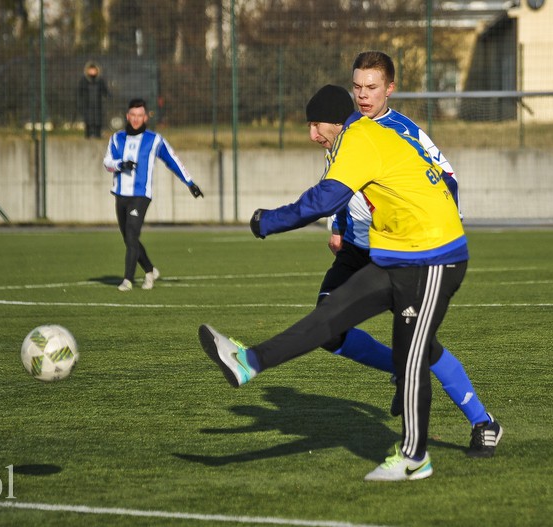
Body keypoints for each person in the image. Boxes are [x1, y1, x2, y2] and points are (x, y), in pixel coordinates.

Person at [199, 84, 499, 482]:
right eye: (358, 85)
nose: (311, 134)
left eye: (315, 124)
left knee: (414, 355)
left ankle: (420, 455)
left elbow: (325, 198)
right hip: (391, 253)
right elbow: (340, 194)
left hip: (433, 258)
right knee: (330, 317)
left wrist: (266, 221)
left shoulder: (367, 136)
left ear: (338, 121)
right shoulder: (353, 138)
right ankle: (248, 362)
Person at [305, 83, 499, 456]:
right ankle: (400, 369)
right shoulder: (345, 137)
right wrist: (340, 227)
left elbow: (446, 177)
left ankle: (483, 421)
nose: (363, 94)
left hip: (403, 252)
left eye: (371, 87)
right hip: (357, 251)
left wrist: (442, 228)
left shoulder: (403, 131)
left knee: (421, 344)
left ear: (388, 90)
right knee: (327, 329)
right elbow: (346, 187)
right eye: (357, 86)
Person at [103, 98, 203, 292]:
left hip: (141, 195)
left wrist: (190, 183)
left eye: (140, 115)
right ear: (127, 116)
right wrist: (120, 164)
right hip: (120, 194)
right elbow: (107, 162)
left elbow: (172, 160)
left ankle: (127, 280)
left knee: (132, 234)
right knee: (128, 239)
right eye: (133, 115)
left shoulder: (154, 140)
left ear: (146, 117)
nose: (136, 119)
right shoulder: (117, 138)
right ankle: (149, 270)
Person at [77, 62, 110, 139]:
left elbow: (105, 91)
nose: (92, 71)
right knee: (88, 121)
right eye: (91, 70)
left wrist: (109, 95)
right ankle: (88, 135)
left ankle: (98, 135)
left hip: (98, 104)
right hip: (87, 105)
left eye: (94, 70)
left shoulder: (100, 80)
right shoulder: (84, 80)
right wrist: (80, 102)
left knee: (98, 120)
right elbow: (79, 92)